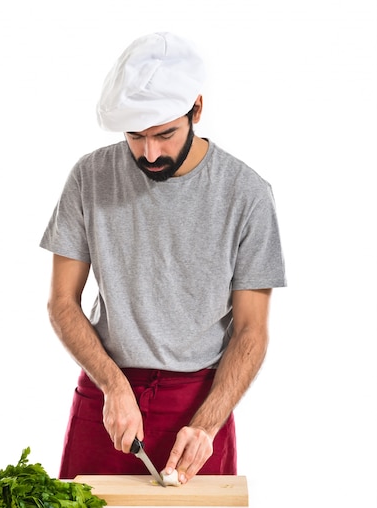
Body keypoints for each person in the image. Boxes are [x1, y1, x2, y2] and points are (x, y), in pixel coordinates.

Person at [40, 32, 286, 484]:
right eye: (135, 136)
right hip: (106, 397)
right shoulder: (88, 177)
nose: (149, 153)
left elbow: (252, 330)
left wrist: (208, 423)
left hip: (200, 405)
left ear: (196, 109)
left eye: (165, 134)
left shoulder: (247, 194)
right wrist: (114, 386)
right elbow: (61, 303)